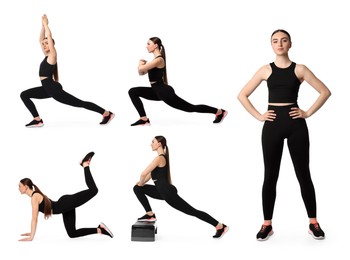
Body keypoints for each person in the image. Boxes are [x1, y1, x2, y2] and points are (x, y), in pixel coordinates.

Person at [237, 29, 331, 241]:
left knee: (303, 174)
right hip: (272, 125)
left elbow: (325, 91)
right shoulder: (265, 70)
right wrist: (259, 116)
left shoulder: (300, 69)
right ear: (271, 45)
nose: (279, 44)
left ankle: (313, 222)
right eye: (275, 41)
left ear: (290, 44)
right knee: (270, 175)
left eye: (284, 40)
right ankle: (266, 224)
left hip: (296, 124)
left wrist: (306, 112)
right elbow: (242, 95)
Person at [20, 14, 114, 127]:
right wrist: (42, 26)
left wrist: (46, 24)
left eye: (47, 43)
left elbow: (48, 37)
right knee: (24, 95)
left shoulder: (52, 55)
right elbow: (40, 39)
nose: (44, 45)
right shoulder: (47, 55)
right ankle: (37, 119)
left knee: (80, 103)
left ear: (52, 45)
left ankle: (106, 113)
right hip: (47, 88)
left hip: (53, 89)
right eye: (43, 44)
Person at [133, 136, 228, 239]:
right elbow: (146, 177)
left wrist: (141, 183)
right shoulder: (160, 159)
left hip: (168, 193)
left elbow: (143, 174)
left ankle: (220, 226)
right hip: (162, 191)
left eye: (153, 142)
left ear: (159, 144)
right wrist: (140, 183)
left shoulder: (159, 158)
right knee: (137, 188)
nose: (151, 144)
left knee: (192, 211)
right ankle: (150, 214)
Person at [128, 37, 228, 126]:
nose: (146, 46)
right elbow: (141, 73)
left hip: (164, 92)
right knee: (133, 91)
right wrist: (141, 66)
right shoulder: (153, 62)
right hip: (156, 91)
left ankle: (219, 112)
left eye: (148, 44)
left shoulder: (159, 60)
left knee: (191, 108)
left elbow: (141, 69)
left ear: (155, 45)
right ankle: (144, 119)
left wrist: (140, 64)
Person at [18, 152, 113, 241]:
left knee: (93, 190)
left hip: (65, 203)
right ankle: (99, 229)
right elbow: (34, 219)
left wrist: (31, 237)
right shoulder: (35, 196)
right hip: (64, 206)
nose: (18, 188)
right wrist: (31, 233)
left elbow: (34, 219)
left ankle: (85, 164)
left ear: (26, 187)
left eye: (20, 186)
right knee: (72, 233)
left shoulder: (34, 197)